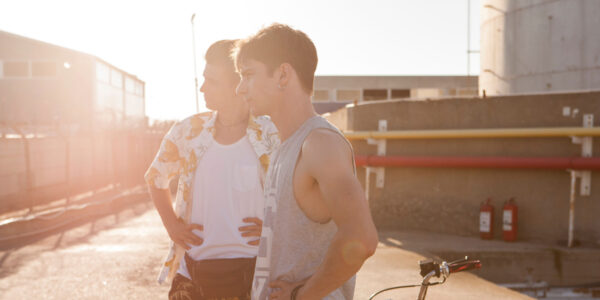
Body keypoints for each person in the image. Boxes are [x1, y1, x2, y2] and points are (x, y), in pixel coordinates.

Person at [233, 24, 378, 300]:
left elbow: (362, 238)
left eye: (248, 74)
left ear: (283, 75)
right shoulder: (284, 146)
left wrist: (301, 295)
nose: (240, 88)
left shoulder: (320, 143)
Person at [144, 39, 279, 300]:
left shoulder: (270, 133)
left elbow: (295, 193)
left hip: (254, 274)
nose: (203, 87)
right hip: (193, 270)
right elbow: (155, 177)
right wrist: (172, 225)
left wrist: (274, 227)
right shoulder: (187, 131)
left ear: (237, 84)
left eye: (212, 81)